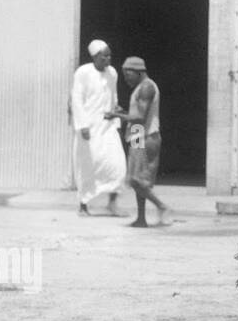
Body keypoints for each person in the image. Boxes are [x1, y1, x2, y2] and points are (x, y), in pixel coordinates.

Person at [106, 56, 169, 228]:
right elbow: (136, 116)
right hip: (137, 134)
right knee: (136, 179)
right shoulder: (140, 88)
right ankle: (141, 218)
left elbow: (139, 117)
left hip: (146, 135)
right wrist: (123, 112)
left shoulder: (147, 87)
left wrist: (116, 115)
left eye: (129, 74)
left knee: (136, 180)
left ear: (139, 71)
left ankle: (161, 206)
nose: (127, 78)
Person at [70, 40, 126, 216]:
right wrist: (82, 125)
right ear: (95, 57)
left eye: (110, 55)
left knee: (117, 164)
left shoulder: (112, 73)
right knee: (88, 166)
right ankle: (83, 205)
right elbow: (76, 99)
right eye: (105, 56)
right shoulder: (83, 72)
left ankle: (112, 203)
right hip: (89, 126)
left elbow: (113, 95)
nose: (108, 59)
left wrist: (116, 115)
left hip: (108, 126)